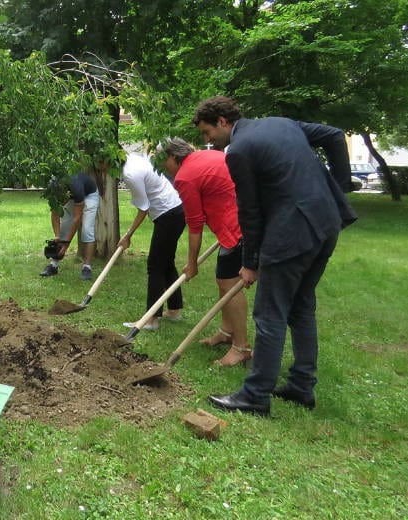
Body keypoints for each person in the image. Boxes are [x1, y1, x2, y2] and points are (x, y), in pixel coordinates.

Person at [193, 96, 357, 416]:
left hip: (293, 233)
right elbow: (335, 135)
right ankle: (301, 386)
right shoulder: (281, 122)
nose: (207, 140)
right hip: (326, 224)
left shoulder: (238, 151)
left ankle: (255, 395)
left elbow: (250, 212)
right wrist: (337, 189)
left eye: (207, 131)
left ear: (223, 121)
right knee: (301, 306)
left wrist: (250, 263)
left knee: (270, 314)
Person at [159, 138, 250, 366]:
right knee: (223, 280)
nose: (162, 167)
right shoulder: (207, 155)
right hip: (240, 219)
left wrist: (192, 264)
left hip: (237, 228)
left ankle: (241, 347)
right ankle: (227, 332)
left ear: (173, 156)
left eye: (163, 161)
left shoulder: (185, 177)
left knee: (230, 284)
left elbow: (195, 224)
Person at [118, 152, 186, 331]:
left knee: (155, 266)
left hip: (168, 214)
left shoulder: (130, 173)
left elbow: (143, 208)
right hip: (176, 209)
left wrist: (128, 235)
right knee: (166, 262)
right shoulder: (133, 157)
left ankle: (151, 319)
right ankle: (174, 310)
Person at [39, 170, 99, 281]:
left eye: (63, 200)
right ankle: (53, 265)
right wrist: (58, 236)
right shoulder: (53, 189)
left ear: (67, 193)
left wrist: (66, 243)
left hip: (90, 194)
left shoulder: (76, 188)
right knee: (64, 228)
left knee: (87, 230)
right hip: (72, 194)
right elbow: (55, 213)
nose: (62, 203)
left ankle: (87, 267)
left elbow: (77, 219)